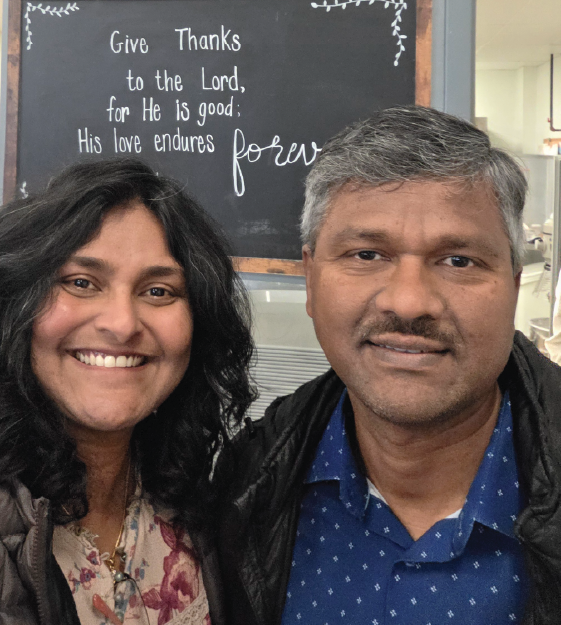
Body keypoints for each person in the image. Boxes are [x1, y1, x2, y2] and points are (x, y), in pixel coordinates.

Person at [215, 106, 561, 625]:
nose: (409, 302)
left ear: (513, 286)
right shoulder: (242, 484)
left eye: (458, 260)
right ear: (311, 279)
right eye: (367, 255)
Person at [0, 158, 254, 625]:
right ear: (13, 303)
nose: (122, 324)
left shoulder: (189, 489)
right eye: (81, 283)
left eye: (159, 291)